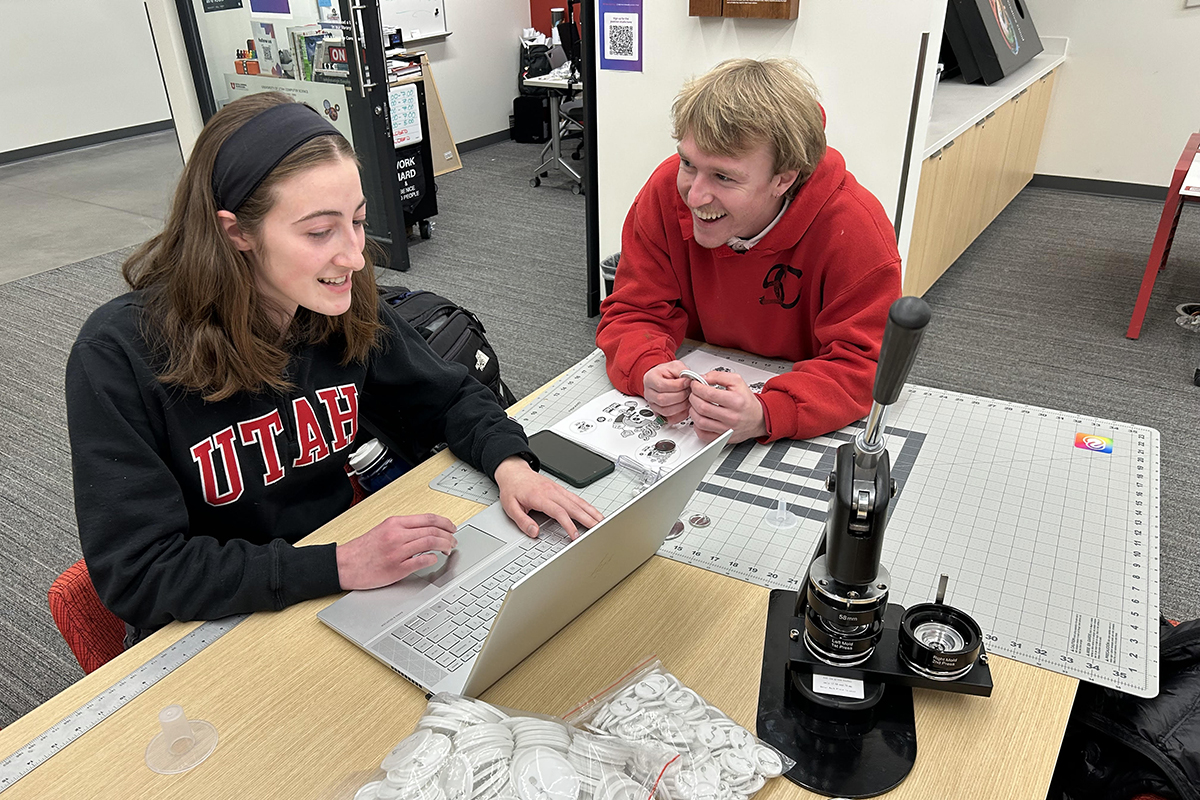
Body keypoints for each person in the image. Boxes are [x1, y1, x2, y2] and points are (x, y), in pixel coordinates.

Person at [65, 92, 601, 642]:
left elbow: (447, 396)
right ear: (237, 234)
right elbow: (140, 574)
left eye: (360, 221)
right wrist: (339, 565)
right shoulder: (120, 353)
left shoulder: (337, 299)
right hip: (218, 619)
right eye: (320, 232)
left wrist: (510, 463)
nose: (353, 256)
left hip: (337, 578)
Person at [596, 58, 902, 444]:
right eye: (688, 163)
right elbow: (633, 311)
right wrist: (647, 368)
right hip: (694, 411)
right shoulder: (663, 192)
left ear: (783, 179)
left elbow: (864, 363)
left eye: (724, 176)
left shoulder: (855, 227)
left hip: (793, 414)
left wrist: (767, 413)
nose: (695, 195)